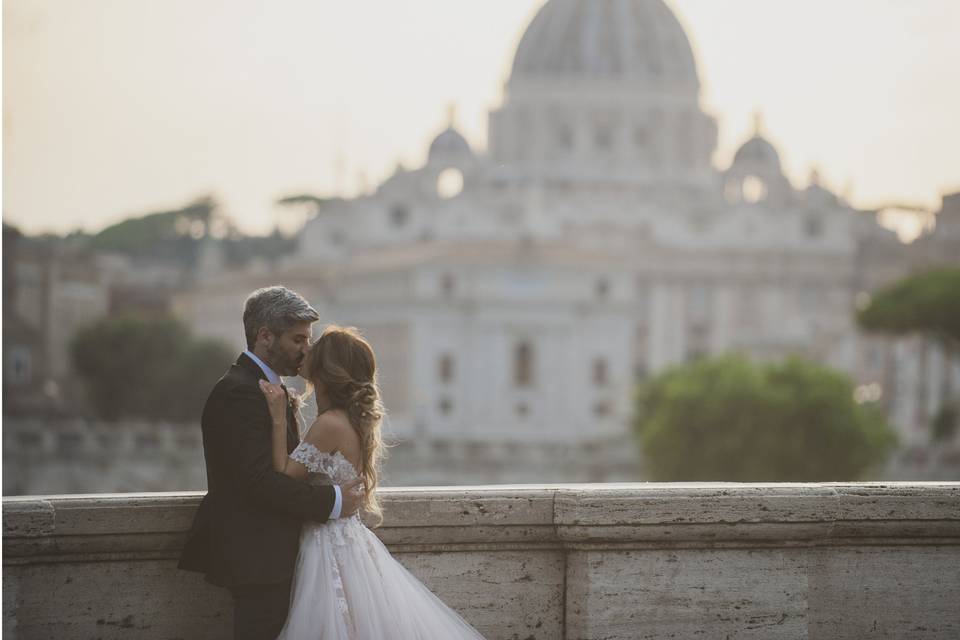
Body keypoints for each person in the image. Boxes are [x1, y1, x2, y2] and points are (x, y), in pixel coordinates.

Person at [260, 325, 486, 639]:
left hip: (327, 544)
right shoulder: (353, 422)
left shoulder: (328, 424)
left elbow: (284, 476)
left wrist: (276, 418)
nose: (306, 350)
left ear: (325, 372)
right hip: (351, 540)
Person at [178, 286, 365, 640]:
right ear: (265, 336)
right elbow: (258, 482)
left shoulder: (262, 387)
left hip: (275, 558)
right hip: (258, 560)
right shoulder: (240, 391)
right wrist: (334, 501)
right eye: (297, 339)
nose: (306, 349)